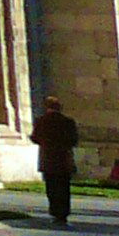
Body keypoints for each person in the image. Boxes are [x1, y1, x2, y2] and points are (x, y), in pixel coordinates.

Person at [33, 94, 80, 226]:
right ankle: (63, 214)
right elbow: (74, 140)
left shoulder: (41, 121)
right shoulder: (68, 122)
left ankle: (54, 212)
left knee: (51, 188)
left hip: (48, 159)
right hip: (64, 159)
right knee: (64, 188)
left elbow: (35, 137)